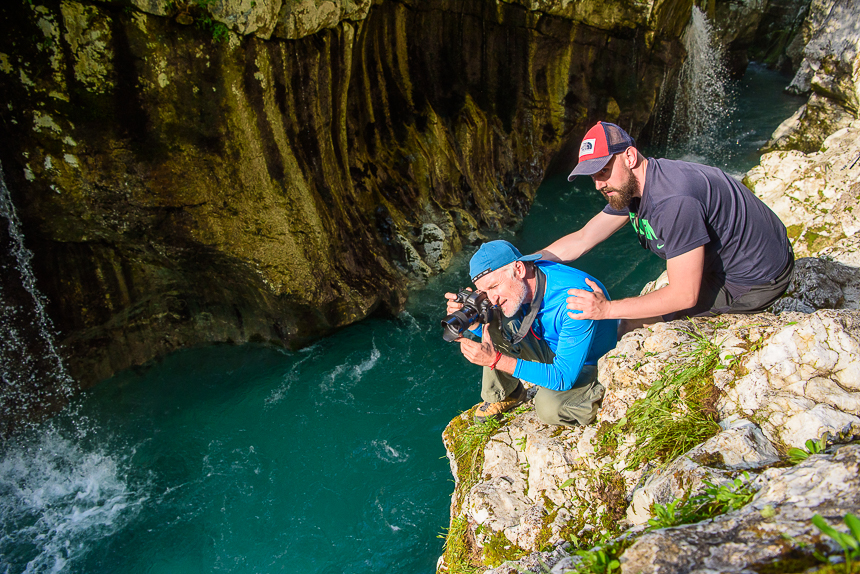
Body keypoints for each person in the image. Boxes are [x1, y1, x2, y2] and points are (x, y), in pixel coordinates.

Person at [541, 121, 794, 333]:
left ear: (629, 156)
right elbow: (584, 238)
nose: (598, 184)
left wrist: (605, 309)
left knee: (631, 324)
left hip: (756, 279)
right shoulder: (632, 185)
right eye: (593, 176)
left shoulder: (673, 200)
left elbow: (684, 295)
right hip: (740, 256)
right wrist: (526, 261)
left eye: (603, 171)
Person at [445, 240, 617, 426]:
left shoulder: (574, 300)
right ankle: (508, 393)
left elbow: (563, 377)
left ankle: (594, 395)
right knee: (493, 314)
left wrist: (496, 360)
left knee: (548, 407)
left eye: (494, 286)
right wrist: (473, 322)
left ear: (519, 269)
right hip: (552, 346)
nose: (492, 298)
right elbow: (498, 333)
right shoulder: (526, 281)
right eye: (484, 291)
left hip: (586, 362)